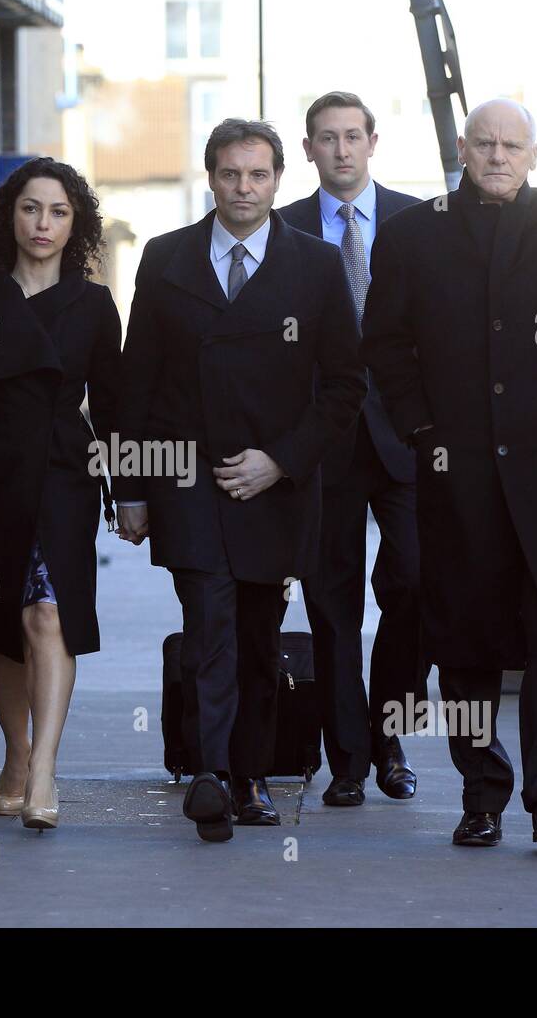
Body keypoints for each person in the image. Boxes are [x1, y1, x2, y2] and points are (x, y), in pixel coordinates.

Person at [359, 98, 537, 847]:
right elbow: (385, 343)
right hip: (456, 478)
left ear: (534, 154)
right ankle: (481, 797)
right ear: (463, 148)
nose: (498, 156)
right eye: (485, 143)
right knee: (464, 642)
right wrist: (421, 428)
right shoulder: (413, 235)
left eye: (513, 145)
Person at [115, 119, 366, 842]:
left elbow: (344, 385)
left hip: (274, 485)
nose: (244, 188)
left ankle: (251, 775)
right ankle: (211, 774)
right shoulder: (166, 257)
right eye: (230, 174)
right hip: (187, 474)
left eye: (258, 175)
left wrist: (280, 460)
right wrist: (130, 487)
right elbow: (137, 379)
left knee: (258, 633)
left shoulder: (315, 264)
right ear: (211, 178)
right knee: (208, 622)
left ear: (279, 180)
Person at [0, 158, 122, 831]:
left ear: (76, 224)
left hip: (63, 474)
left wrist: (131, 493)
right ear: (9, 216)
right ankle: (17, 756)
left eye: (57, 212)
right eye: (30, 208)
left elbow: (115, 406)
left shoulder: (94, 305)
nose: (42, 223)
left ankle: (46, 767)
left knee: (49, 613)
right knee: (3, 620)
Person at [278, 91, 428, 808]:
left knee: (417, 585)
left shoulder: (420, 222)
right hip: (322, 443)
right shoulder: (282, 230)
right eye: (326, 138)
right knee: (332, 604)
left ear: (373, 141)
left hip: (408, 438)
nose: (341, 150)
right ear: (308, 148)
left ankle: (391, 737)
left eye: (351, 136)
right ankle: (349, 759)